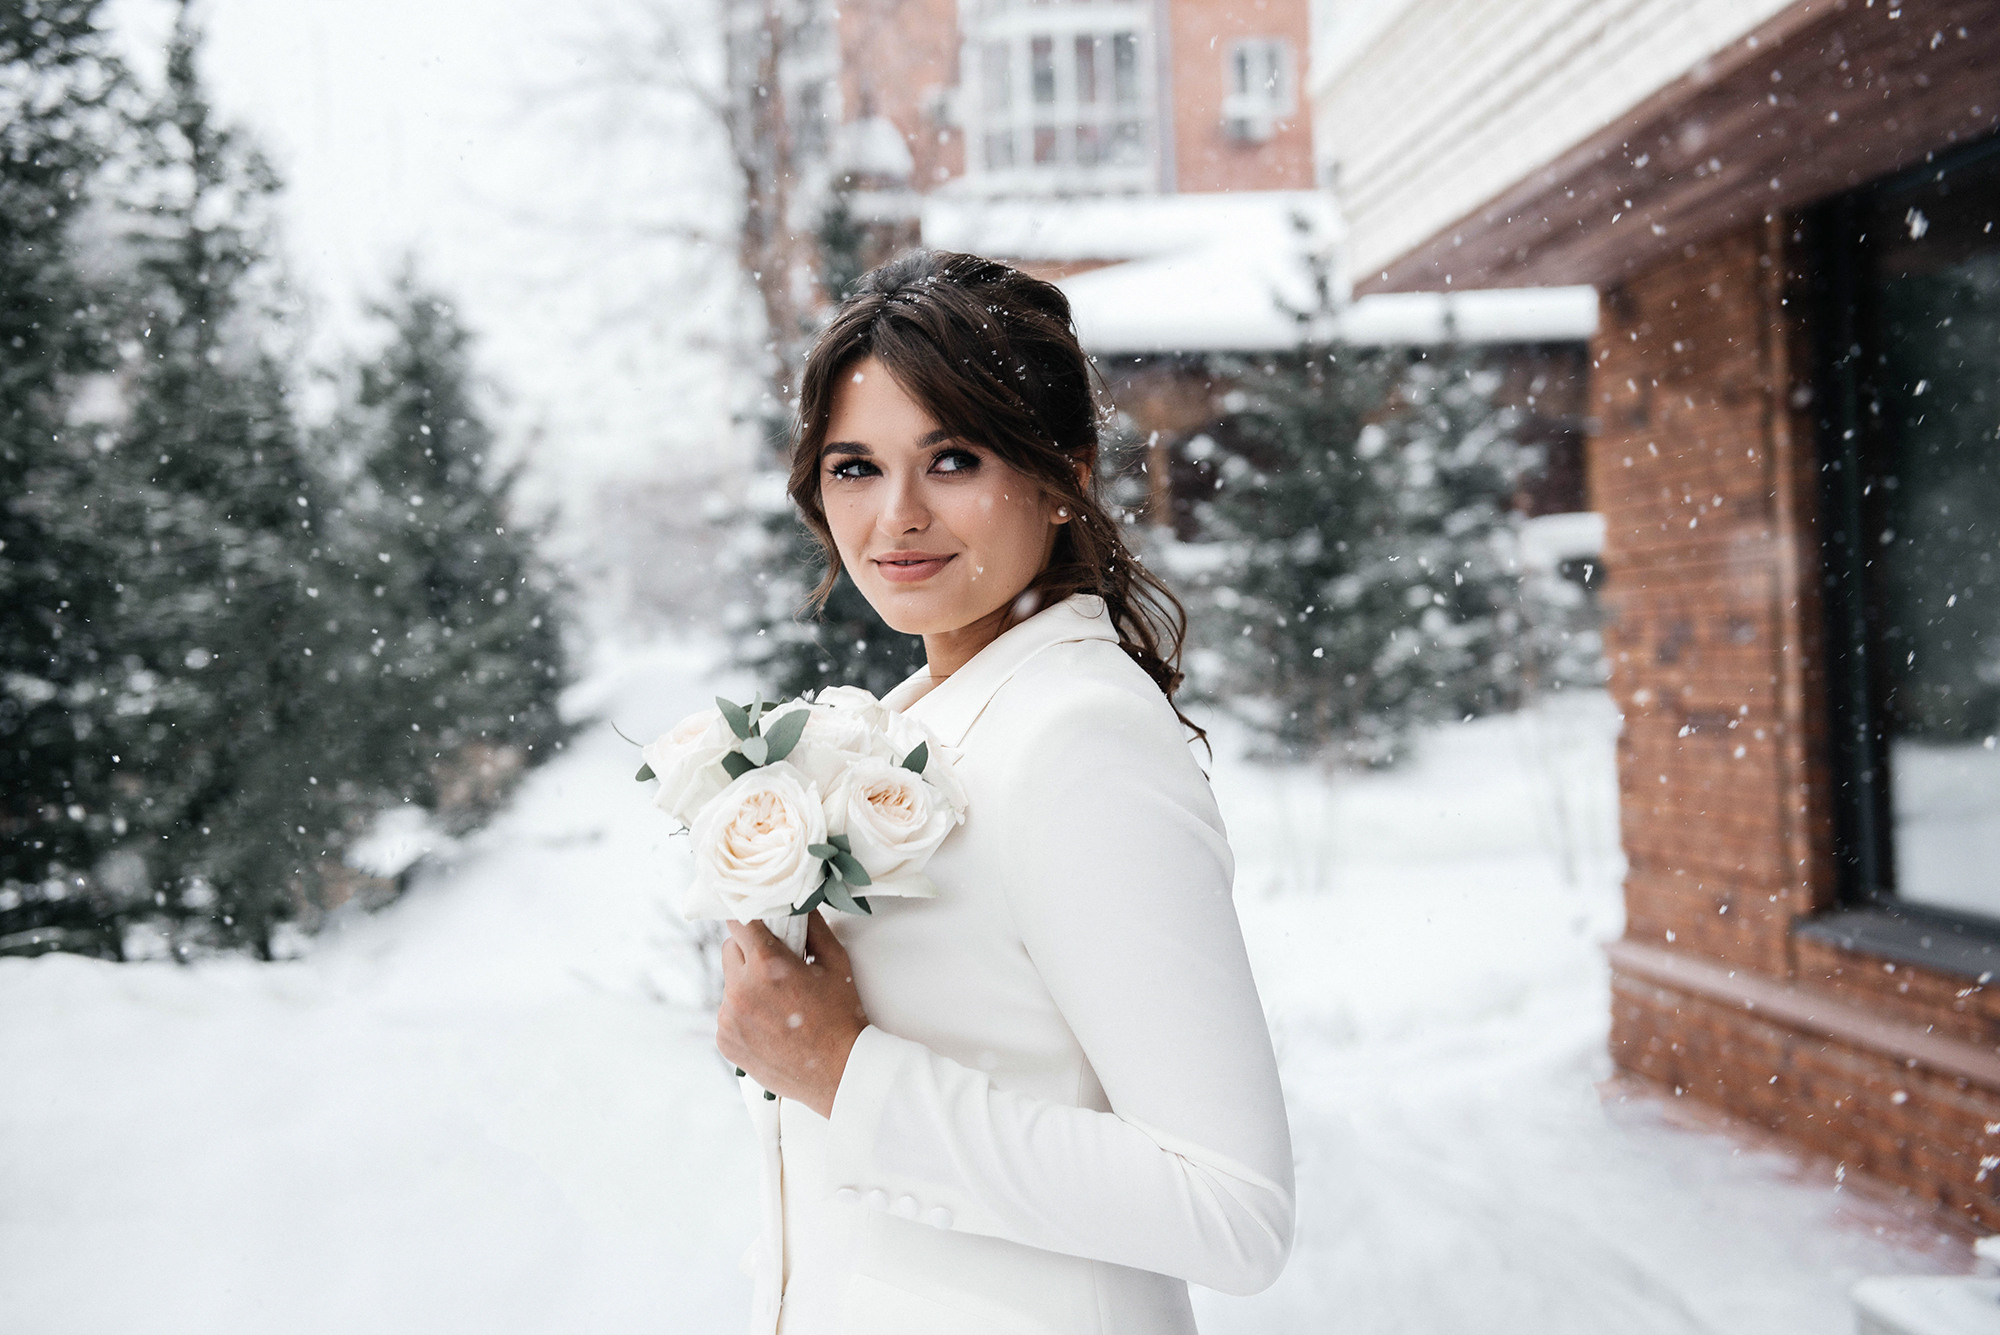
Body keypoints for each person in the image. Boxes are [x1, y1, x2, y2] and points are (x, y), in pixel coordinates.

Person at [714, 249, 1294, 1335]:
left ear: (1062, 473)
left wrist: (844, 1072)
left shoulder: (1077, 738)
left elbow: (1232, 1210)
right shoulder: (922, 723)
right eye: (855, 466)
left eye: (951, 459)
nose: (896, 517)